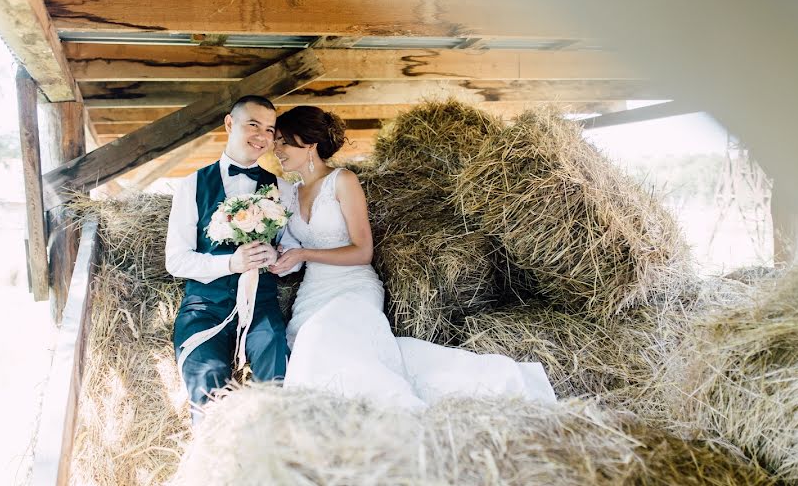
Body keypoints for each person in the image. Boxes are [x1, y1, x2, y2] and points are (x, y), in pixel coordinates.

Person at [269, 106, 555, 409]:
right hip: (312, 294)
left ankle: (391, 408)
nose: (276, 149)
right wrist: (278, 256)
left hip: (351, 286)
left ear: (310, 144)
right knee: (318, 351)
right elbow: (294, 250)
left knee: (326, 337)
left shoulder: (343, 180)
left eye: (283, 141)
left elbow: (363, 251)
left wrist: (304, 252)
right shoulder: (291, 193)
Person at [165, 95, 295, 423]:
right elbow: (176, 261)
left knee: (278, 384)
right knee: (208, 391)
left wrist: (277, 257)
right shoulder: (191, 185)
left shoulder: (282, 188)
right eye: (253, 124)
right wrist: (229, 264)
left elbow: (296, 256)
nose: (262, 136)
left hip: (262, 308)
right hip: (203, 310)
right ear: (229, 124)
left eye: (269, 129)